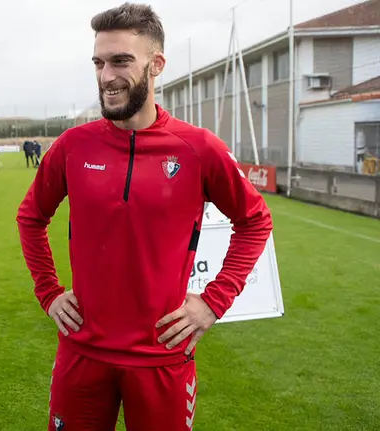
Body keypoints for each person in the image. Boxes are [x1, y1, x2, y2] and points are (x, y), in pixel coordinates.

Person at [16, 3, 273, 430]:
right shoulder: (73, 146)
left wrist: (213, 302)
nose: (105, 76)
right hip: (82, 353)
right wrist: (49, 291)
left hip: (162, 357)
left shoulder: (198, 148)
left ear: (157, 65)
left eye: (121, 61)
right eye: (98, 62)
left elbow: (255, 221)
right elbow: (31, 218)